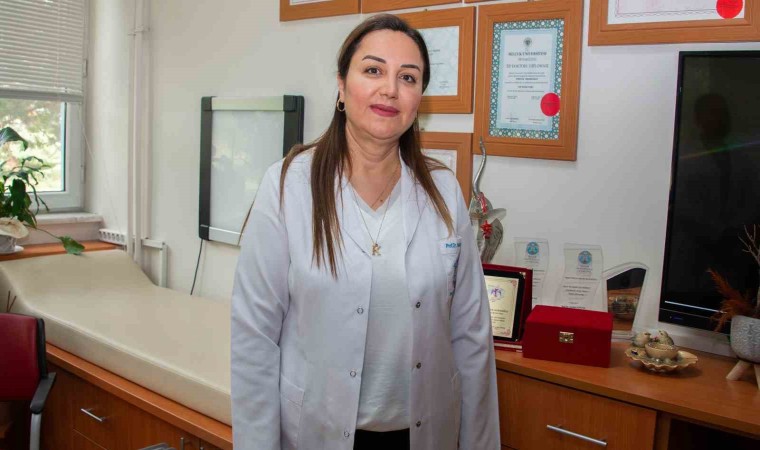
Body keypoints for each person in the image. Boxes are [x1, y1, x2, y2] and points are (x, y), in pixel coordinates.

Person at [231, 14, 499, 450]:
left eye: (407, 77)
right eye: (373, 70)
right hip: (317, 433)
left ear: (419, 99)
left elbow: (471, 336)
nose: (390, 89)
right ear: (341, 85)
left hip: (423, 433)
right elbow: (254, 338)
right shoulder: (287, 185)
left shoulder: (442, 190)